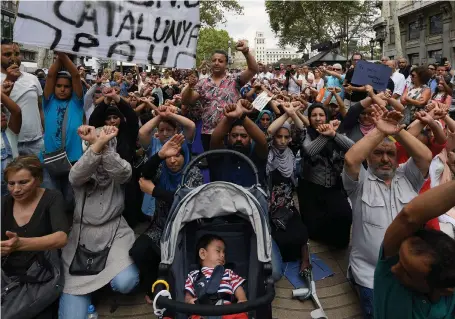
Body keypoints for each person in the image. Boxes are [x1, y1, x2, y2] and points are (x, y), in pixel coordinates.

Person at [343, 105, 432, 319]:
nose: (385, 159)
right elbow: (351, 159)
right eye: (378, 153)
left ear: (396, 157)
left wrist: (397, 130)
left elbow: (425, 155)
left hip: (410, 269)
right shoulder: (360, 182)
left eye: (390, 153)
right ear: (368, 158)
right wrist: (380, 130)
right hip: (370, 275)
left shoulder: (409, 176)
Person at [59, 125, 139, 319]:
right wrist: (96, 144)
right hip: (82, 234)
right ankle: (90, 291)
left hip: (115, 230)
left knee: (126, 282)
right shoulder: (81, 166)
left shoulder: (118, 166)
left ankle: (101, 286)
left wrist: (100, 144)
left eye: (106, 145)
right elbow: (75, 176)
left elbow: (123, 173)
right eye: (94, 145)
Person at [130, 134, 203, 304]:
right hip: (161, 226)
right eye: (169, 157)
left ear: (185, 156)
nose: (172, 161)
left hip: (185, 229)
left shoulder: (193, 173)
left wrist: (155, 191)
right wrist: (159, 155)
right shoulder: (162, 169)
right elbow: (144, 174)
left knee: (177, 263)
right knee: (138, 251)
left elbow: (185, 202)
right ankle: (152, 287)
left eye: (177, 155)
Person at [374, 180, 455, 319]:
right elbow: (409, 217)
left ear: (445, 291)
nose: (394, 269)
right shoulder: (389, 280)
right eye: (399, 258)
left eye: (408, 273)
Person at [1, 155, 69, 318]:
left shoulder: (52, 198)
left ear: (38, 179)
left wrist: (21, 244)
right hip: (8, 276)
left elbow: (61, 238)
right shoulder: (4, 203)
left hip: (42, 275)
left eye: (23, 182)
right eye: (11, 183)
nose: (16, 189)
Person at [181, 41, 259, 151]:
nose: (216, 63)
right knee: (214, 165)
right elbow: (186, 101)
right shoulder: (202, 83)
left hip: (232, 133)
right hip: (208, 133)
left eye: (220, 61)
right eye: (214, 60)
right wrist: (189, 87)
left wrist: (246, 52)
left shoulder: (235, 80)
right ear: (210, 63)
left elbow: (253, 69)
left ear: (226, 64)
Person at [298, 103, 354, 248]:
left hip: (333, 186)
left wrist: (334, 134)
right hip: (311, 187)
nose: (318, 118)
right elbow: (309, 151)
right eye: (314, 115)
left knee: (344, 214)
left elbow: (353, 148)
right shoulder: (305, 133)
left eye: (321, 115)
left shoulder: (336, 132)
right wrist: (325, 136)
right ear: (309, 118)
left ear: (327, 117)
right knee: (313, 225)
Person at [265, 105, 310, 281]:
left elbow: (302, 131)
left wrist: (294, 113)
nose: (282, 141)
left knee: (300, 233)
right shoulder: (267, 151)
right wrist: (286, 114)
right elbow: (269, 130)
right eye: (279, 137)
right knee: (279, 238)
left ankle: (305, 261)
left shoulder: (292, 152)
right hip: (270, 202)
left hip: (288, 202)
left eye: (286, 137)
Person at [42, 52, 84, 214]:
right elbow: (52, 74)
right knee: (52, 199)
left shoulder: (77, 102)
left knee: (70, 199)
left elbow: (75, 75)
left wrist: (63, 54)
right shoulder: (48, 101)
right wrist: (61, 53)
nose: (62, 89)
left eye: (66, 86)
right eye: (59, 86)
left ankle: (68, 229)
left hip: (72, 160)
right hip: (50, 159)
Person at [185, 234, 248, 319]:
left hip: (227, 309)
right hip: (202, 311)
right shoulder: (194, 275)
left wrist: (242, 299)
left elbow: (238, 288)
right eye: (218, 251)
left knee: (241, 315)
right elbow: (188, 294)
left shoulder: (228, 272)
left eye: (224, 253)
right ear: (203, 253)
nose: (222, 255)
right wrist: (189, 301)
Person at [209, 99, 268, 187]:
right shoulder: (221, 154)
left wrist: (242, 115)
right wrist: (229, 117)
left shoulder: (256, 156)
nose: (239, 139)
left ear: (251, 139)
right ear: (228, 137)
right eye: (234, 135)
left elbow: (263, 142)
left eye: (244, 136)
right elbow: (215, 139)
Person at [1, 40, 44, 157]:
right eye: (7, 54)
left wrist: (46, 132)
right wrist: (8, 79)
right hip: (9, 143)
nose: (13, 58)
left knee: (42, 175)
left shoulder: (33, 79)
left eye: (16, 53)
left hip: (36, 142)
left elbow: (40, 108)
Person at [1, 80, 22, 196]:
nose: (3, 115)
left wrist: (1, 94)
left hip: (12, 192)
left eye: (3, 112)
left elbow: (17, 112)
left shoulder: (10, 133)